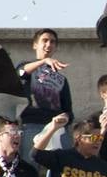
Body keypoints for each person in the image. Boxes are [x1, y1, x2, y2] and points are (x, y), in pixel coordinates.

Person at [16, 28, 72, 161]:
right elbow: (21, 72)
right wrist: (43, 61)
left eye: (52, 42)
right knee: (29, 166)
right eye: (45, 40)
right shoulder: (25, 66)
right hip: (32, 125)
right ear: (35, 45)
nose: (48, 44)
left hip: (57, 128)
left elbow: (68, 109)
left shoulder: (61, 79)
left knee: (64, 166)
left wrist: (66, 117)